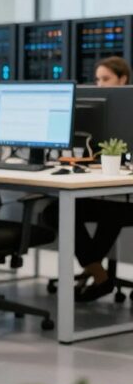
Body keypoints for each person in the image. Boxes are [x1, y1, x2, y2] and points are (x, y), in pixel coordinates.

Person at [41, 56, 133, 301]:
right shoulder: (103, 109)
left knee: (111, 213)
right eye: (97, 79)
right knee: (55, 210)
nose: (100, 85)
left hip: (127, 198)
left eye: (106, 79)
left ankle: (96, 274)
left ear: (122, 79)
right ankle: (98, 272)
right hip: (108, 192)